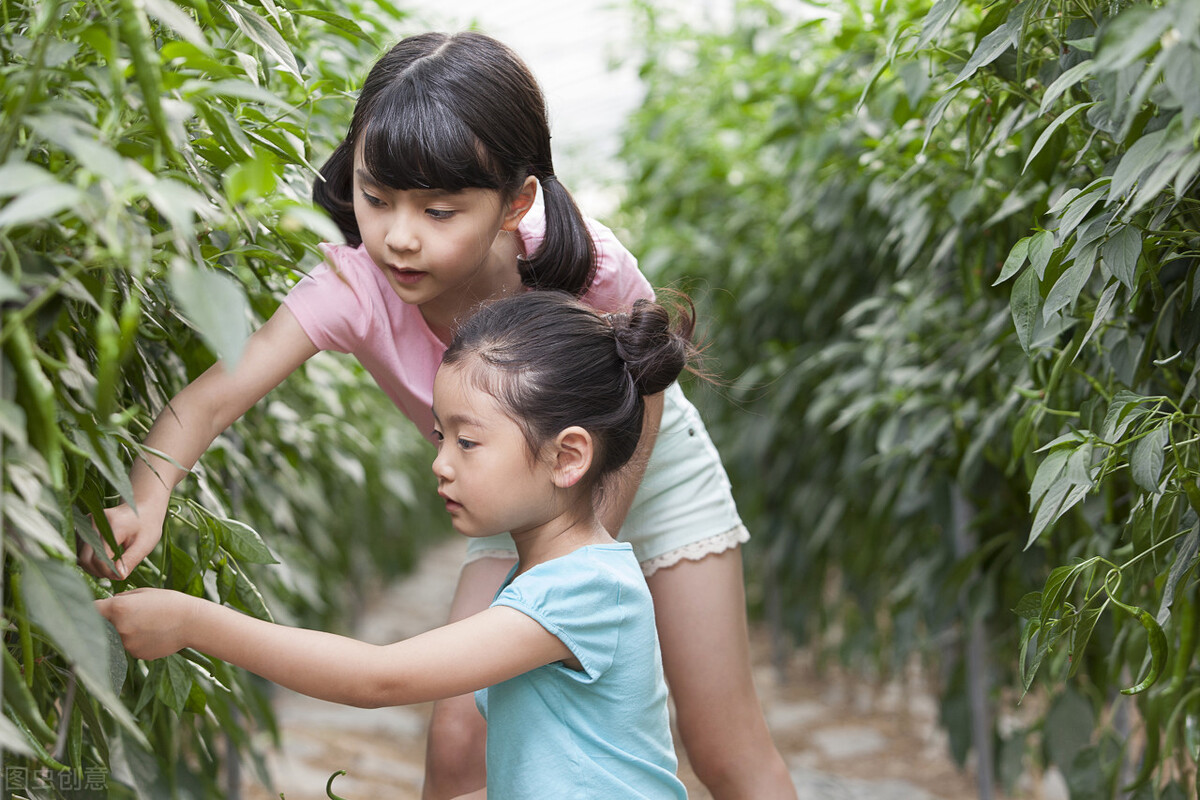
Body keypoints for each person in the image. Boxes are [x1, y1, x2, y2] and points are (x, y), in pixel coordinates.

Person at [78, 31, 797, 800]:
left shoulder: (584, 261)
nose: (398, 235)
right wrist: (147, 498)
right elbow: (213, 396)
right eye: (375, 198)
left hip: (645, 470)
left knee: (722, 744)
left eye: (440, 209)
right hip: (516, 489)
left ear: (515, 202)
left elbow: (646, 379)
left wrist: (583, 544)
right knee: (458, 733)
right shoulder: (353, 288)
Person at [98, 292, 694, 800]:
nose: (440, 462)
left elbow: (378, 679)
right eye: (441, 435)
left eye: (467, 441)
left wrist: (191, 622)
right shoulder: (550, 576)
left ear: (566, 457)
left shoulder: (583, 587)